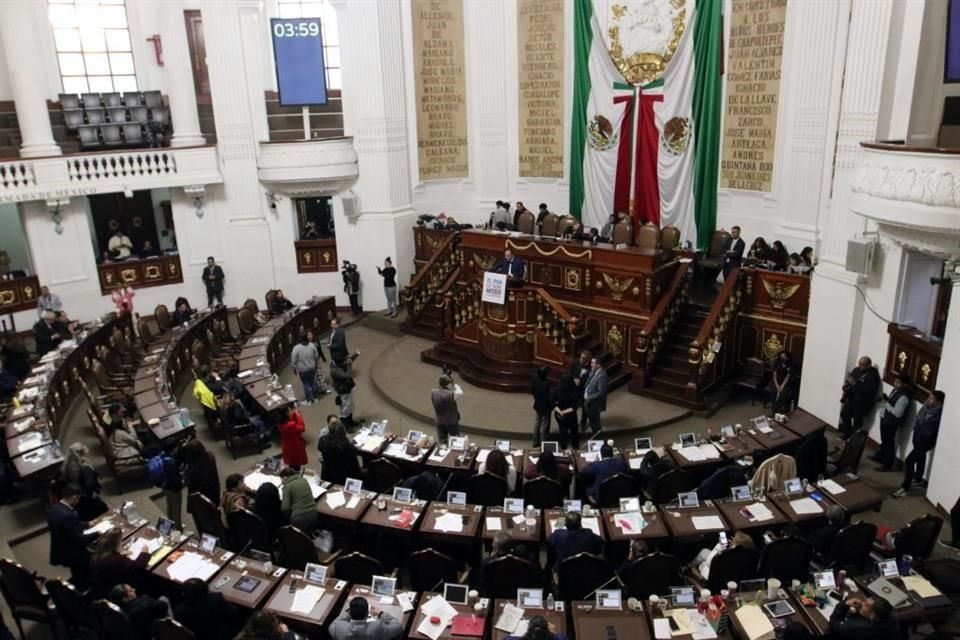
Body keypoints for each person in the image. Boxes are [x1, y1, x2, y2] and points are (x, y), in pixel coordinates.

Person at [894, 390, 944, 497]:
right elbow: (918, 418)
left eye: (931, 398)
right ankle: (918, 479)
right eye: (929, 397)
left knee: (909, 460)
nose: (928, 399)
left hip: (925, 442)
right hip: (917, 437)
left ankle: (905, 487)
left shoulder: (939, 416)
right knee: (921, 458)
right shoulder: (926, 407)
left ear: (939, 402)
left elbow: (932, 431)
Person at [48, 484, 98, 588]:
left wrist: (87, 524)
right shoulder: (68, 515)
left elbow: (69, 526)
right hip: (73, 552)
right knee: (85, 571)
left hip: (61, 547)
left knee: (77, 572)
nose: (78, 501)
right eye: (78, 498)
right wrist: (97, 533)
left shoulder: (54, 508)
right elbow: (77, 538)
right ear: (74, 497)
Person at [89, 527, 150, 599]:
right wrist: (144, 553)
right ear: (116, 544)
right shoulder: (116, 560)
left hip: (99, 588)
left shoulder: (98, 554)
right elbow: (138, 566)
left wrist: (120, 554)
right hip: (112, 592)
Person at [174, 577, 240, 640]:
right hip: (220, 633)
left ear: (184, 593)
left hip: (199, 636)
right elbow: (233, 611)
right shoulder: (216, 599)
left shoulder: (179, 611)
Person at [872, 373, 913, 472]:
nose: (895, 384)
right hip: (886, 419)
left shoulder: (904, 397)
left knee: (889, 443)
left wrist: (887, 403)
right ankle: (880, 456)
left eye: (898, 383)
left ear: (905, 384)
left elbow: (897, 413)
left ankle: (887, 464)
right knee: (885, 441)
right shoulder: (896, 391)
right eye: (895, 382)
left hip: (892, 422)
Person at [60, 442, 107, 521]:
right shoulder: (85, 468)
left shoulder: (66, 466)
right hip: (89, 500)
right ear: (82, 453)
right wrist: (93, 493)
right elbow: (90, 484)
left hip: (77, 499)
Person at [839, 356, 880, 439]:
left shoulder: (873, 376)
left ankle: (853, 440)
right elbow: (851, 381)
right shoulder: (856, 370)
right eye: (859, 364)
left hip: (862, 403)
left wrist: (854, 384)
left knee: (857, 423)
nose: (860, 366)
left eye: (863, 365)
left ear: (869, 365)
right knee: (844, 414)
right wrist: (847, 386)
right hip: (852, 399)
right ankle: (846, 433)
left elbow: (868, 391)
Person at [329, 596, 403, 640]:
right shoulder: (377, 627)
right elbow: (398, 627)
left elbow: (332, 626)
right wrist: (381, 613)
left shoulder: (339, 627)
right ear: (367, 613)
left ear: (351, 613)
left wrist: (347, 612)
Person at [828, 596, 898, 640]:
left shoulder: (853, 627)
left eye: (866, 605)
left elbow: (833, 623)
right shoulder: (892, 619)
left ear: (872, 615)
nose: (861, 603)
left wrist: (844, 604)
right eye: (865, 601)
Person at [317, 420, 362, 484]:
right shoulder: (347, 446)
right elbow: (354, 465)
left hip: (328, 475)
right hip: (346, 477)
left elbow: (319, 449)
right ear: (343, 432)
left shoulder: (322, 440)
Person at [180, 439, 221, 506]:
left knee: (205, 512)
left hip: (202, 494)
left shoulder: (194, 468)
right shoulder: (210, 456)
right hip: (214, 488)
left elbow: (189, 483)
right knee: (214, 508)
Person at [154, 441, 183, 529]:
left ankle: (169, 526)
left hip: (164, 486)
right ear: (173, 449)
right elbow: (175, 480)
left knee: (170, 507)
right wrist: (182, 481)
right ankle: (177, 530)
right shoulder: (171, 462)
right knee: (176, 511)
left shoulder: (161, 456)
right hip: (173, 489)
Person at [280, 467, 318, 535]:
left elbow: (285, 508)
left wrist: (289, 519)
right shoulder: (304, 480)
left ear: (285, 478)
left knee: (297, 540)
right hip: (313, 515)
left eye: (281, 479)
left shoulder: (287, 486)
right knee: (307, 537)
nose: (281, 482)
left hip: (298, 519)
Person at [431, 373, 463, 444]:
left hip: (440, 421)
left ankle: (442, 453)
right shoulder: (451, 394)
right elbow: (460, 393)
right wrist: (454, 384)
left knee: (442, 442)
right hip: (451, 422)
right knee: (456, 442)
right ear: (448, 383)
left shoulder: (433, 392)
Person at [330, 355, 360, 430]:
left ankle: (351, 422)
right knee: (345, 409)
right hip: (343, 391)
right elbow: (348, 375)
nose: (344, 362)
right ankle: (347, 426)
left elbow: (345, 362)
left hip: (347, 388)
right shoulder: (335, 371)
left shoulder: (338, 365)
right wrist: (349, 365)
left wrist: (352, 358)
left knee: (350, 407)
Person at [291, 334, 321, 406]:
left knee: (306, 384)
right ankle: (316, 398)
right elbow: (316, 356)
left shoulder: (296, 348)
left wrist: (294, 369)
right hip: (312, 368)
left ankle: (309, 400)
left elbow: (293, 360)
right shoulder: (311, 345)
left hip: (303, 370)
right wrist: (316, 365)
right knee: (313, 382)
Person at [552, 374, 580, 450]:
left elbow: (552, 403)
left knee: (562, 431)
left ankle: (563, 448)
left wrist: (560, 412)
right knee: (574, 431)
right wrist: (564, 412)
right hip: (570, 415)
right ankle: (575, 447)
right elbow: (574, 407)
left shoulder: (556, 389)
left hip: (559, 415)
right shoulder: (574, 390)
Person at [583, 357, 608, 435]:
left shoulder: (602, 376)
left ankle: (598, 437)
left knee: (595, 422)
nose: (591, 365)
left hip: (594, 403)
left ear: (598, 365)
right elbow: (589, 382)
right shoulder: (593, 371)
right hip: (588, 402)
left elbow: (601, 392)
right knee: (591, 420)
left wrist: (589, 398)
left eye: (593, 363)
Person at [278, 405, 307, 470]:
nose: (291, 411)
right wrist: (299, 416)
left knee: (291, 464)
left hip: (287, 446)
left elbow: (290, 420)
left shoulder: (280, 423)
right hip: (295, 446)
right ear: (286, 413)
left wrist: (294, 414)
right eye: (289, 411)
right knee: (296, 465)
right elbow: (302, 428)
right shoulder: (291, 424)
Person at [193, 366, 220, 435]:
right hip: (214, 406)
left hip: (206, 406)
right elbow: (218, 388)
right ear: (208, 373)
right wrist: (218, 379)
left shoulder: (200, 381)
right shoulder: (209, 382)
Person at [569, 351, 591, 432]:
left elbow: (591, 379)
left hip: (585, 390)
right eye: (581, 357)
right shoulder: (576, 363)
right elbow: (570, 372)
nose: (581, 359)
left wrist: (581, 378)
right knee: (573, 405)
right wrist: (574, 378)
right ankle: (572, 422)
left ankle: (583, 423)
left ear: (587, 359)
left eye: (583, 358)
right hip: (575, 389)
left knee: (584, 407)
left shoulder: (590, 367)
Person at [530, 367, 552, 448]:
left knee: (537, 422)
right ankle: (544, 444)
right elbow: (548, 396)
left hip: (538, 404)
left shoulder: (535, 381)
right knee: (544, 425)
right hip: (545, 406)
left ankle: (535, 442)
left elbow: (532, 391)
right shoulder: (546, 384)